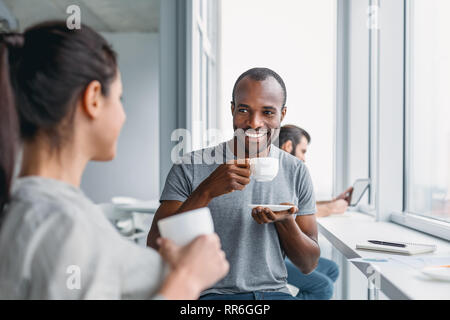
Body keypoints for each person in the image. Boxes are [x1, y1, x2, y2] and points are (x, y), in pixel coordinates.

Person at [0, 21, 229, 299]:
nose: (123, 115)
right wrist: (188, 280)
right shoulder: (64, 222)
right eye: (120, 98)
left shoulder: (32, 208)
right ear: (93, 98)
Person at [148, 68, 320, 300]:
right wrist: (207, 190)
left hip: (274, 294)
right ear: (232, 110)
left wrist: (286, 222)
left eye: (268, 112)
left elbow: (308, 264)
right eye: (243, 110)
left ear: (282, 114)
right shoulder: (190, 166)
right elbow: (156, 247)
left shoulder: (296, 171)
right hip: (212, 295)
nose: (254, 123)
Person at [278, 124, 352, 299]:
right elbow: (290, 212)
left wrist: (331, 202)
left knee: (331, 269)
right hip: (273, 255)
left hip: (284, 252)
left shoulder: (291, 174)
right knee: (323, 287)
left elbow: (300, 206)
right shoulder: (278, 175)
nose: (304, 159)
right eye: (303, 151)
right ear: (288, 146)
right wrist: (331, 208)